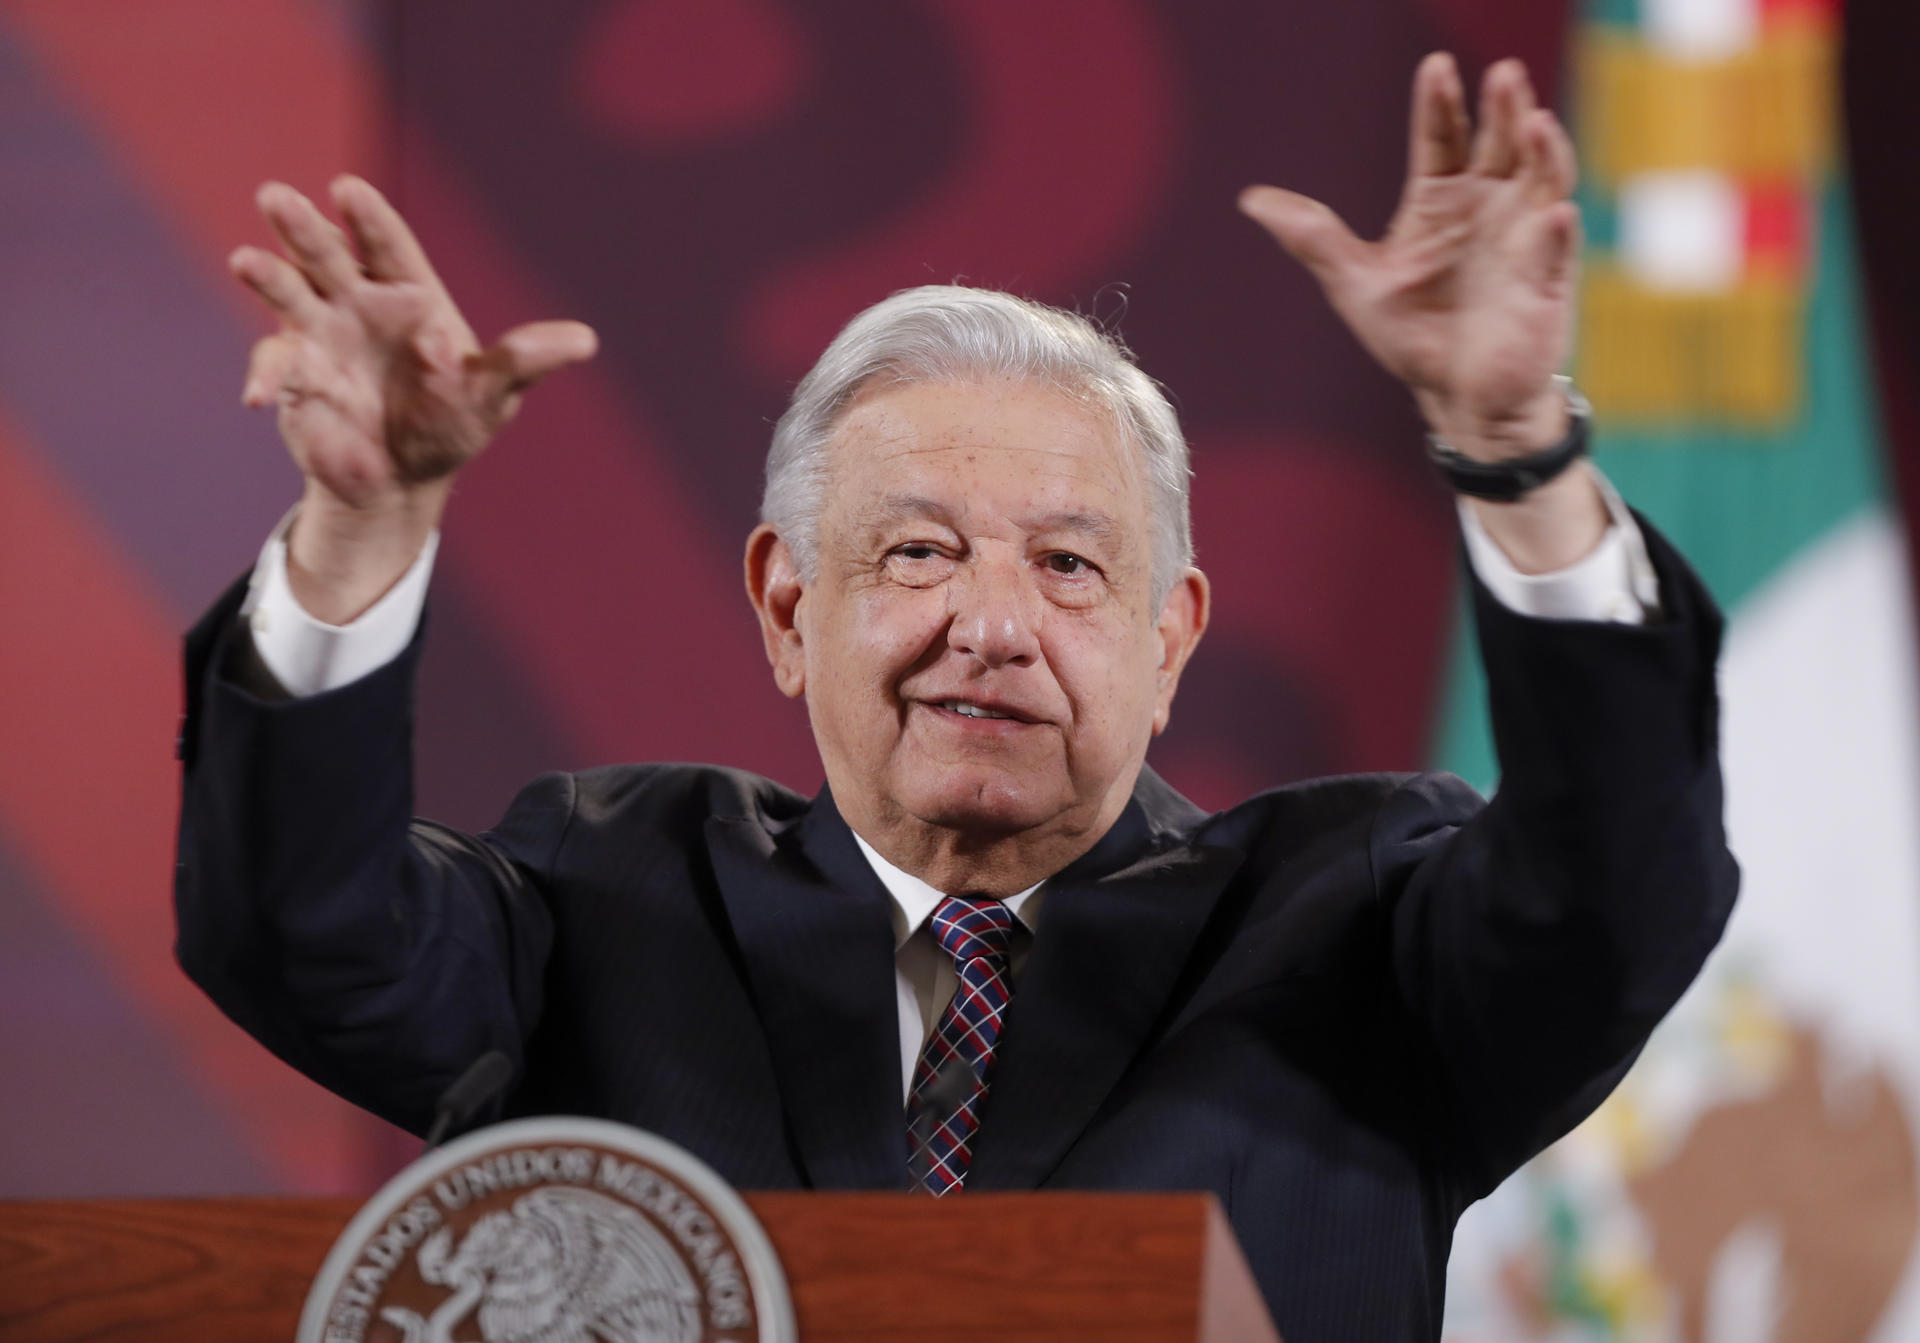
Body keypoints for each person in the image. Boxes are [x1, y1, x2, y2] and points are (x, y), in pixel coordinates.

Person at [174, 55, 1735, 1340]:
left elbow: (1617, 898)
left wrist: (1516, 451)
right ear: (791, 606)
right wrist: (362, 531)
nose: (991, 622)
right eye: (919, 550)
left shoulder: (1359, 922)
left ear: (1172, 635)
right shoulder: (608, 894)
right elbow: (304, 932)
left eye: (1069, 568)